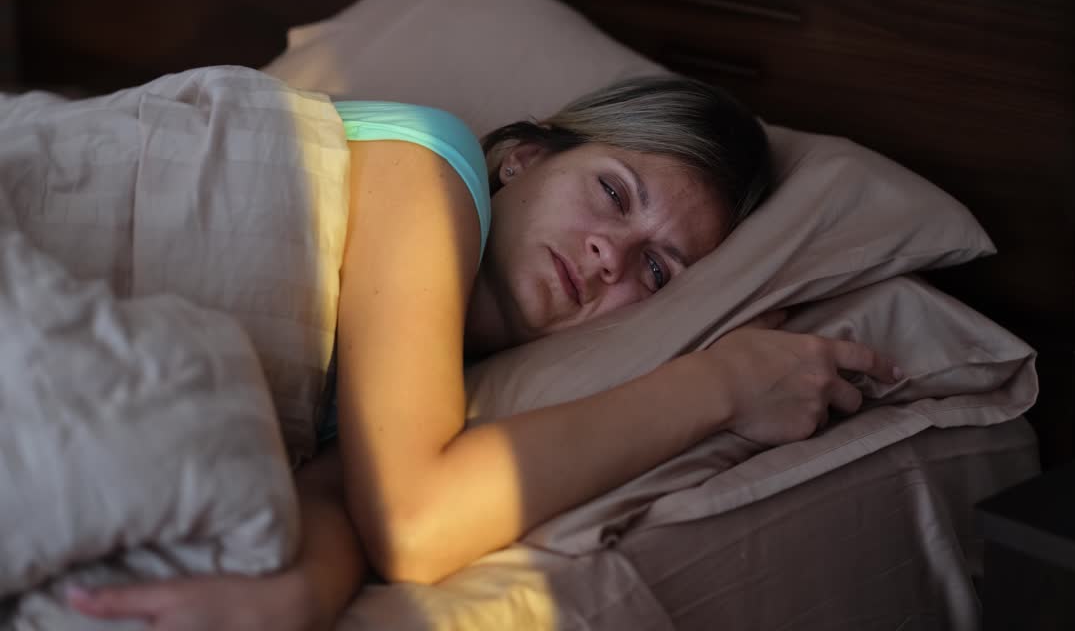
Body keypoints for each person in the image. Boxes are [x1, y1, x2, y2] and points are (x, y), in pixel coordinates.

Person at [67, 76, 901, 630]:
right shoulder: (426, 165)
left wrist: (289, 600)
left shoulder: (452, 378)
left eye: (655, 268)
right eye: (612, 193)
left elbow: (343, 507)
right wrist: (723, 383)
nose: (611, 255)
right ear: (521, 160)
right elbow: (416, 523)